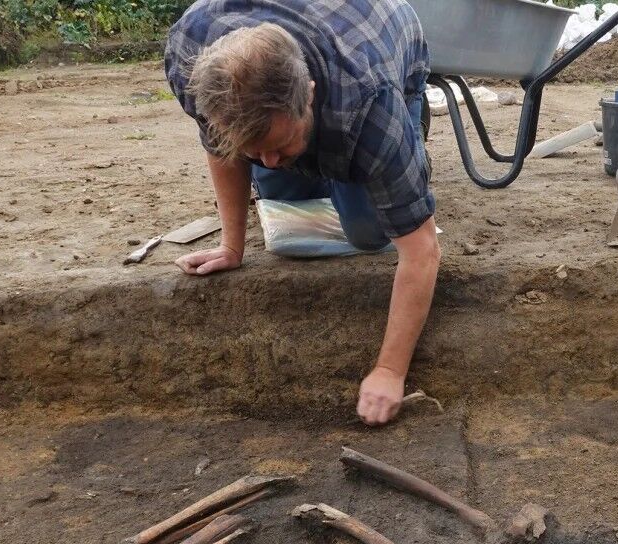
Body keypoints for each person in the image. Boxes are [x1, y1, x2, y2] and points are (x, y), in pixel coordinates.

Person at [163, 0, 439, 426]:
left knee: (370, 232)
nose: (267, 161)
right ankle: (317, 160)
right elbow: (219, 144)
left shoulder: (370, 104)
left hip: (385, 36)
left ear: (308, 94)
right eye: (256, 151)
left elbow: (422, 252)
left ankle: (392, 169)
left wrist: (389, 370)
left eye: (281, 144)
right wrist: (231, 245)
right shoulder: (189, 53)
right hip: (309, 78)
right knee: (280, 184)